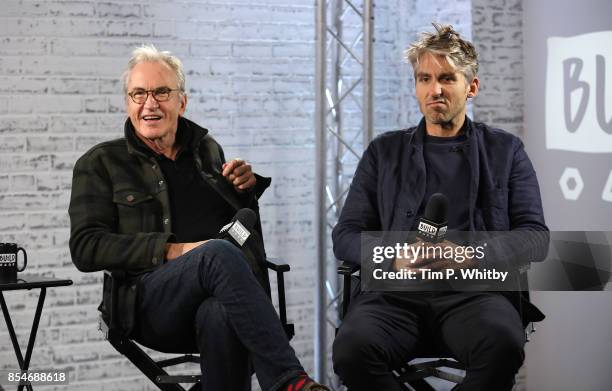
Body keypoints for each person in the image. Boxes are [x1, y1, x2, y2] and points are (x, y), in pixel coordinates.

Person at [68, 44, 329, 391]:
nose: (150, 103)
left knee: (221, 315)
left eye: (161, 92)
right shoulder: (100, 163)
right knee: (216, 253)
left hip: (217, 296)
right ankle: (289, 381)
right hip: (148, 303)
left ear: (182, 101)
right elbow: (85, 248)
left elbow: (234, 225)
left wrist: (243, 191)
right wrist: (175, 250)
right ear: (128, 101)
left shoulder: (207, 149)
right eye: (139, 93)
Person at [331, 24, 549, 391]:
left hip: (476, 294)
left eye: (447, 79)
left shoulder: (505, 151)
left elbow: (535, 237)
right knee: (351, 352)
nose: (435, 90)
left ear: (471, 87)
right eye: (424, 79)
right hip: (393, 296)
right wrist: (393, 257)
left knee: (503, 347)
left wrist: (470, 256)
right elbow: (346, 235)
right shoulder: (383, 152)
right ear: (415, 86)